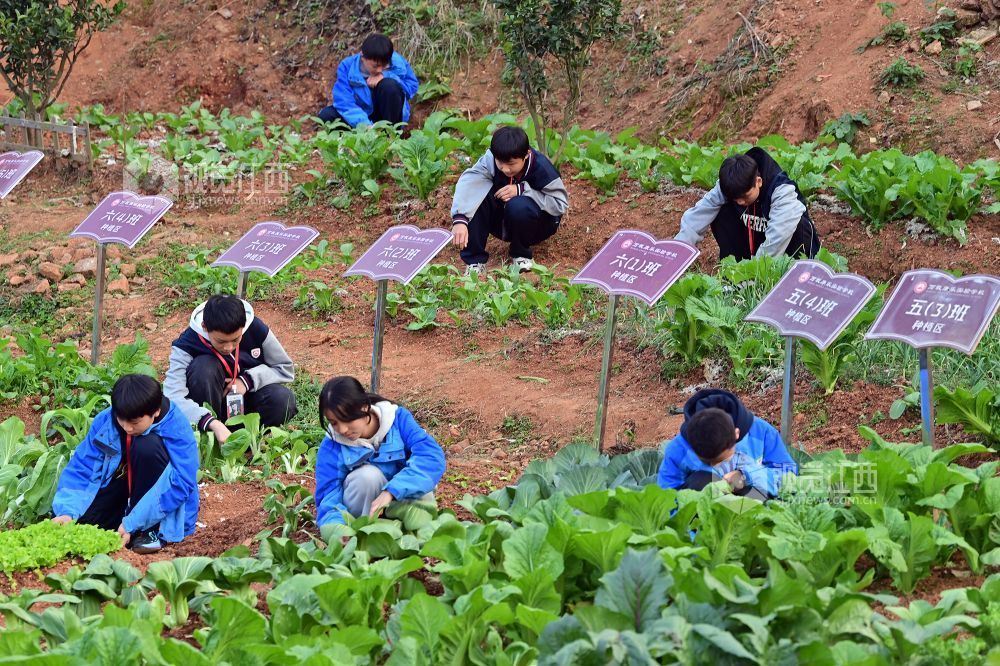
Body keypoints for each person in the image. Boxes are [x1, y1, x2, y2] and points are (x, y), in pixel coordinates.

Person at [51, 374, 199, 554]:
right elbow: (83, 467)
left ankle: (148, 531)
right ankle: (123, 526)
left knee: (147, 446)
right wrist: (67, 511)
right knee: (77, 525)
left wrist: (132, 523)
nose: (127, 428)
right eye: (122, 419)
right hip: (121, 491)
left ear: (156, 411)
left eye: (135, 422)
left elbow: (181, 483)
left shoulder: (177, 428)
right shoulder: (107, 421)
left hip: (159, 502)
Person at [314, 376, 446, 527]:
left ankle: (409, 533)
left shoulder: (397, 420)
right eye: (334, 423)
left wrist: (392, 491)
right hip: (363, 512)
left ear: (364, 407)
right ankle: (364, 534)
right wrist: (337, 529)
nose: (342, 430)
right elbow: (327, 495)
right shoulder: (332, 445)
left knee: (424, 498)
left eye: (347, 419)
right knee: (367, 477)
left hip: (400, 496)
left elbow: (431, 457)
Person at [164, 294, 297, 444]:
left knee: (282, 399)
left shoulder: (255, 328)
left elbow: (284, 368)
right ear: (205, 327)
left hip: (246, 403)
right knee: (203, 367)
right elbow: (172, 396)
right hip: (207, 413)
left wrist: (247, 380)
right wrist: (209, 421)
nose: (228, 347)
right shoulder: (187, 343)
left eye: (236, 340)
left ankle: (250, 442)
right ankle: (210, 441)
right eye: (220, 341)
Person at [450, 126, 569, 275]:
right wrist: (460, 218)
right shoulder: (491, 159)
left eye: (511, 164)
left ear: (526, 155)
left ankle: (521, 255)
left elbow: (560, 204)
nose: (505, 169)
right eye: (500, 162)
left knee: (520, 204)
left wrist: (523, 190)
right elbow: (470, 182)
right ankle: (475, 262)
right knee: (479, 194)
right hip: (502, 223)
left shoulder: (542, 168)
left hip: (538, 225)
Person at [675, 147, 821, 261]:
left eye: (745, 196)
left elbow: (778, 235)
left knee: (797, 222)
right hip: (754, 246)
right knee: (721, 211)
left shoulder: (782, 191)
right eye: (735, 198)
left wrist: (755, 273)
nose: (740, 202)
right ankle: (735, 273)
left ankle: (794, 277)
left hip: (784, 252)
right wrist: (675, 254)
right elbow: (699, 214)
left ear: (759, 181)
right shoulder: (730, 185)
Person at [657, 388, 797, 500]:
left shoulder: (762, 432)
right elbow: (666, 498)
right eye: (708, 462)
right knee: (701, 481)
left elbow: (788, 474)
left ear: (736, 435)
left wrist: (745, 476)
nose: (717, 467)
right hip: (705, 518)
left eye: (721, 460)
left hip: (753, 510)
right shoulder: (679, 447)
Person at [318, 33, 419, 128]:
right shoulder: (347, 67)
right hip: (361, 115)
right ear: (363, 57)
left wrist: (386, 75)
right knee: (327, 116)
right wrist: (365, 125)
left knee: (389, 85)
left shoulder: (396, 62)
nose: (379, 70)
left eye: (384, 66)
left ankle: (391, 138)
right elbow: (344, 102)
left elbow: (412, 87)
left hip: (387, 115)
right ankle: (350, 143)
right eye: (375, 66)